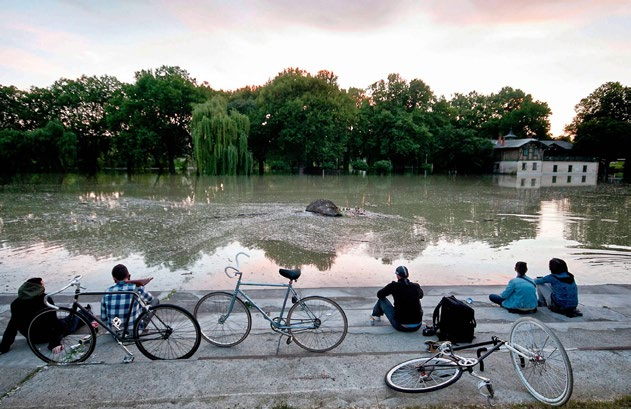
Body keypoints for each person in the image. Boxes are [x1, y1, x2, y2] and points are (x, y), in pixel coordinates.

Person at [0, 278, 92, 354]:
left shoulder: (16, 303)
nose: (44, 286)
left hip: (32, 338)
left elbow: (12, 327)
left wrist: (4, 346)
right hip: (46, 335)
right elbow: (53, 323)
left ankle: (86, 312)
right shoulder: (45, 299)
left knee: (66, 321)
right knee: (70, 323)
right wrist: (55, 343)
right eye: (42, 284)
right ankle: (87, 313)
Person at [100, 264, 158, 337]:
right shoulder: (136, 288)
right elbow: (150, 299)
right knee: (155, 301)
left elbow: (103, 318)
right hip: (135, 331)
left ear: (114, 279)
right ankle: (138, 325)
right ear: (129, 276)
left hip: (116, 334)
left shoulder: (107, 292)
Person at [370, 266, 424, 332]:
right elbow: (421, 296)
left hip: (402, 326)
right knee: (414, 301)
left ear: (398, 276)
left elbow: (379, 294)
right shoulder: (415, 286)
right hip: (417, 325)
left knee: (381, 300)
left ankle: (375, 315)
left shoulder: (394, 286)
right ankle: (376, 315)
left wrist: (391, 290)